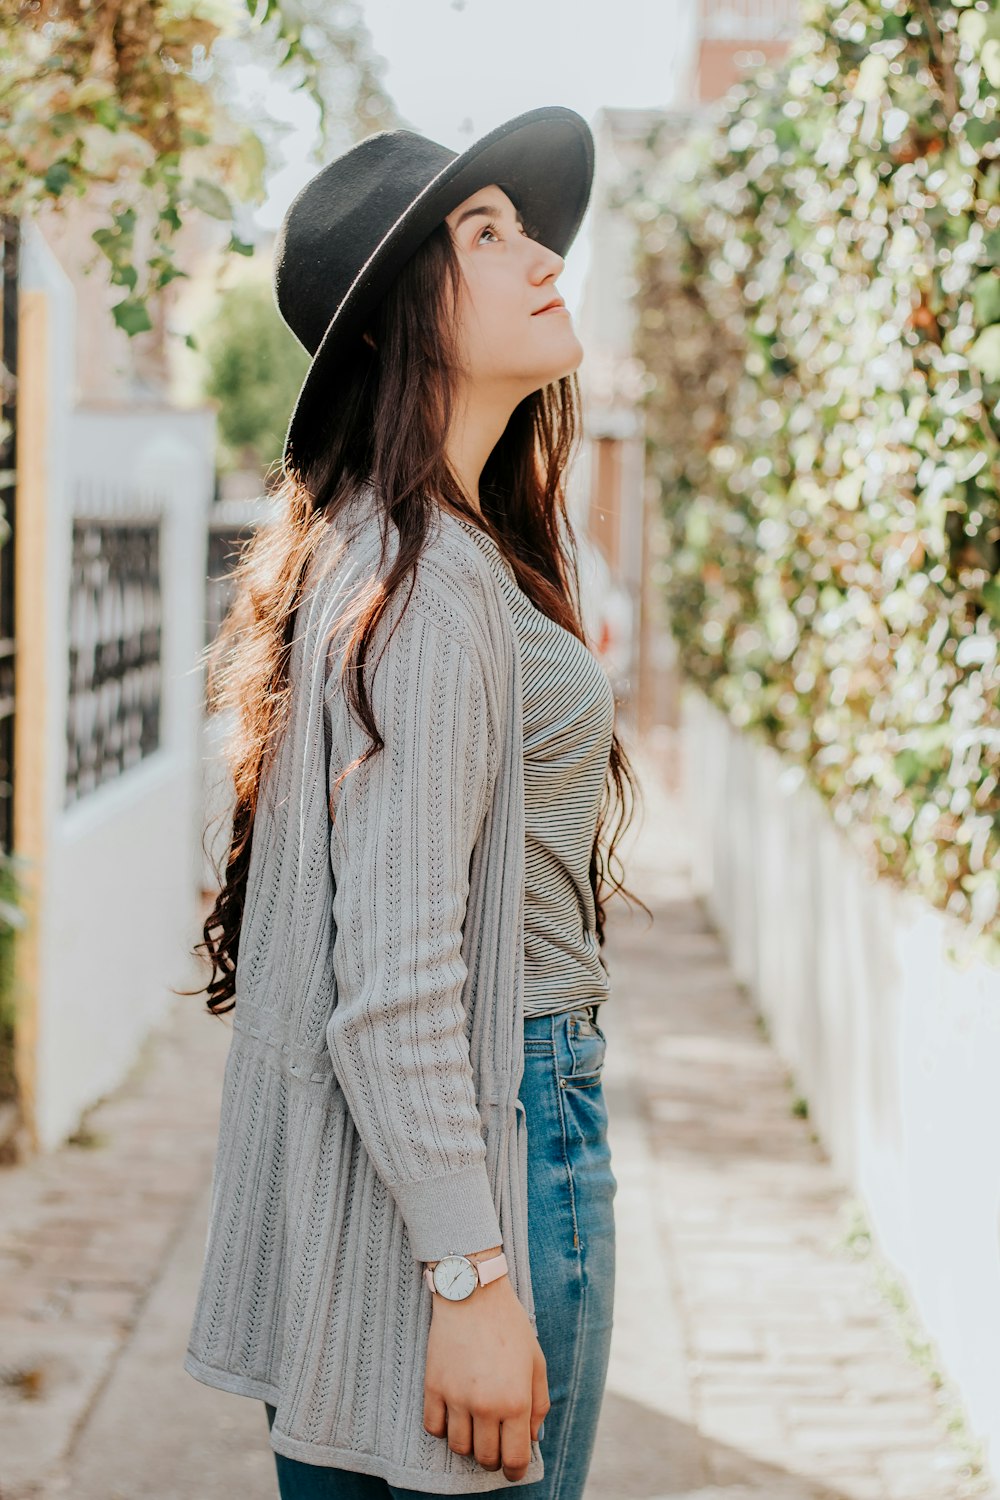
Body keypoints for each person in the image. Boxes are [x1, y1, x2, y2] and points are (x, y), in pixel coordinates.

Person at [181, 105, 647, 1499]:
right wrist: (471, 1276)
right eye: (484, 234)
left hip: (411, 1153)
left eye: (527, 223)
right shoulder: (432, 582)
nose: (540, 252)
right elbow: (391, 974)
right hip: (497, 1139)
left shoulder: (393, 548)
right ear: (392, 324)